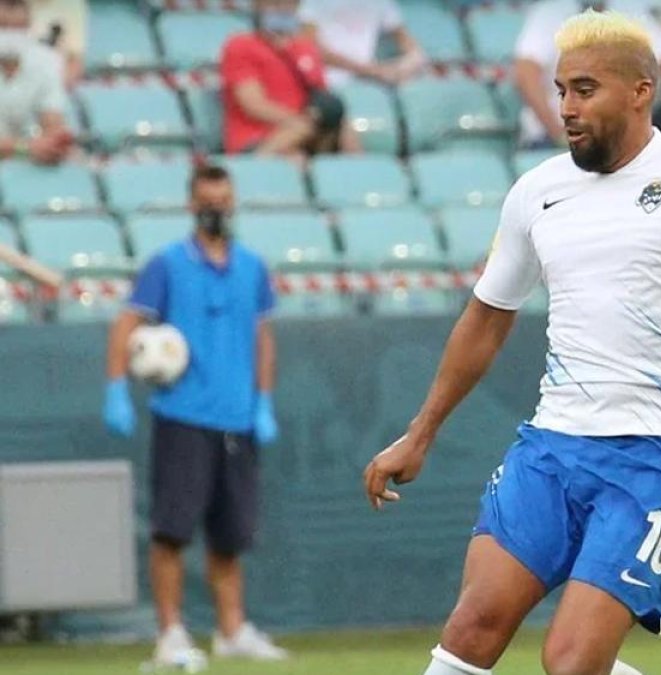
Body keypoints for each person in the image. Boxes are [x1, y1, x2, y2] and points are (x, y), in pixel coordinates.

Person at [362, 10, 661, 675]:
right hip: (553, 447)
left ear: (640, 91)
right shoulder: (538, 192)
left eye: (585, 89)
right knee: (471, 628)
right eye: (560, 90)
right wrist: (421, 431)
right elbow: (487, 316)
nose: (566, 107)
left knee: (571, 659)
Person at [103, 164, 288, 667]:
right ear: (191, 205)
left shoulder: (252, 266)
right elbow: (126, 323)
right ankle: (170, 634)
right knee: (172, 531)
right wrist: (117, 386)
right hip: (183, 416)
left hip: (239, 419)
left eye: (225, 201)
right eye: (208, 201)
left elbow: (262, 338)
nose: (218, 210)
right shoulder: (166, 264)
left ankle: (231, 630)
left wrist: (262, 401)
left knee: (230, 535)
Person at [514, 0, 661, 148]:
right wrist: (558, 134)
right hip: (553, 139)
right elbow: (526, 72)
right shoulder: (551, 12)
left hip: (620, 140)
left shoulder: (625, 10)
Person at [220, 0, 360, 156]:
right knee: (297, 139)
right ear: (258, 6)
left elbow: (322, 99)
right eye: (275, 4)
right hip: (257, 137)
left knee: (343, 125)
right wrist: (300, 122)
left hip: (307, 134)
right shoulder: (240, 46)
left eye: (289, 4)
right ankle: (258, 163)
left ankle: (363, 174)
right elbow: (253, 104)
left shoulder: (305, 47)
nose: (282, 10)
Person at [0, 0, 72, 165]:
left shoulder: (48, 61)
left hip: (29, 161)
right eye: (3, 27)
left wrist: (53, 143)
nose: (10, 37)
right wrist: (26, 148)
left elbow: (52, 119)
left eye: (17, 29)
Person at [298, 0, 428, 88]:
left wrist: (412, 60)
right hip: (328, 82)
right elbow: (314, 49)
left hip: (365, 81)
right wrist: (372, 70)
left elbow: (406, 40)